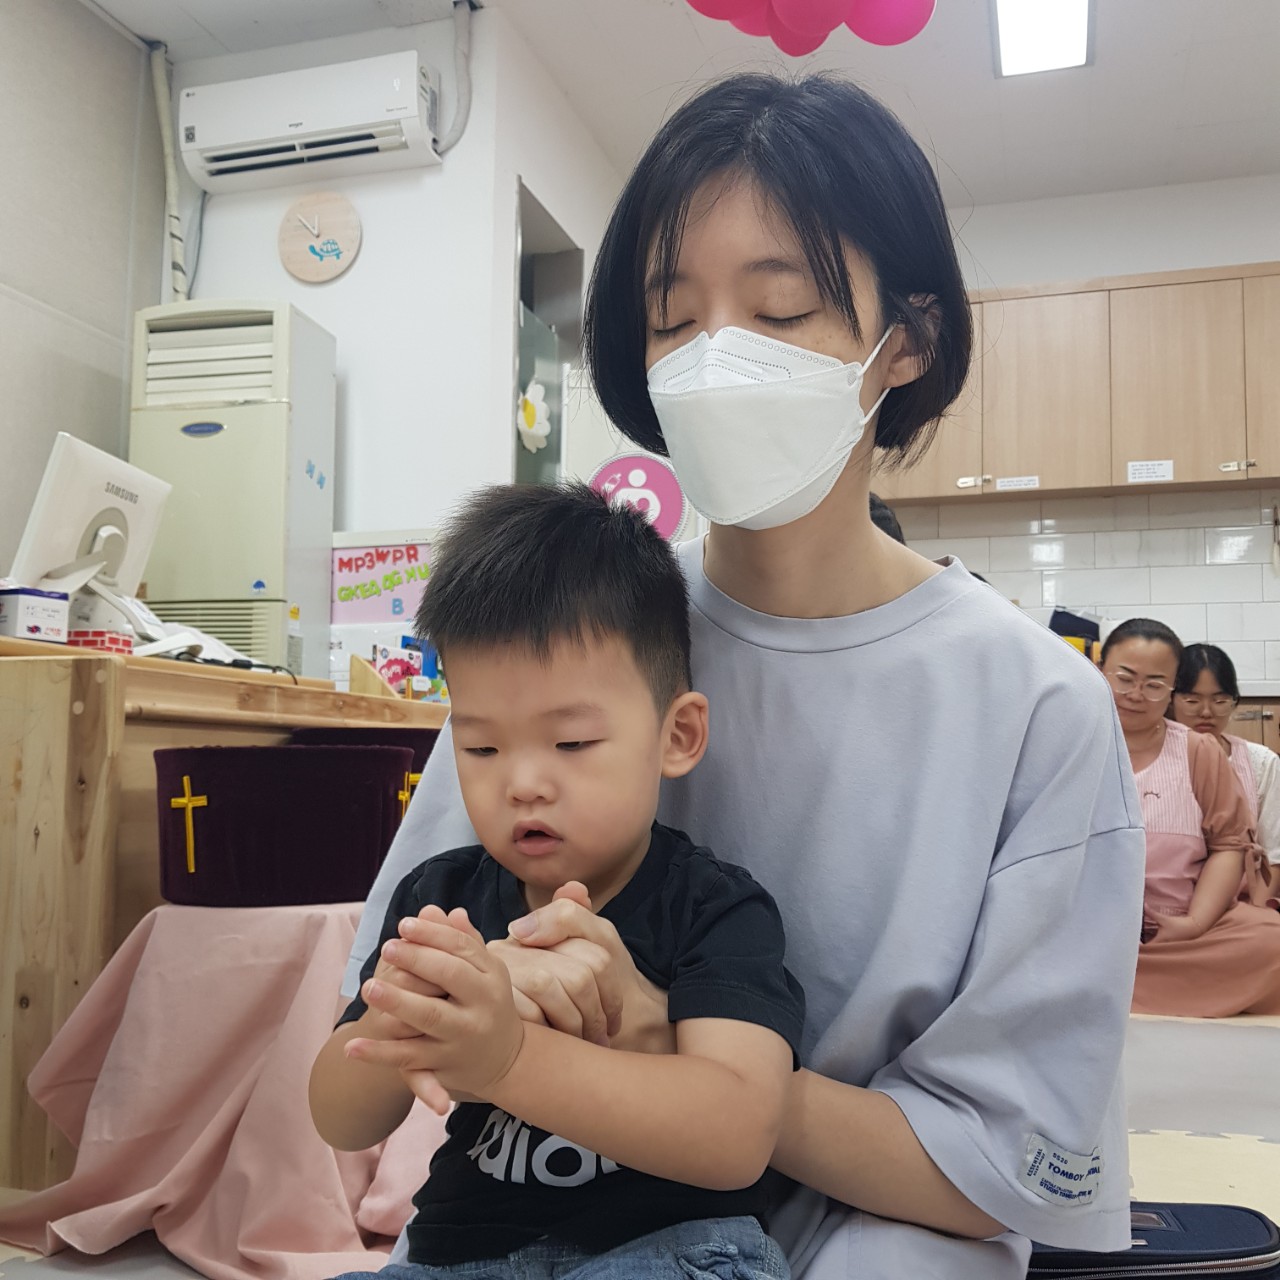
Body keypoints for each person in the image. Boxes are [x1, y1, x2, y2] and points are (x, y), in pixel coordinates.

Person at [348, 73, 1145, 1278]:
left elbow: (999, 1169)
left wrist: (677, 1046)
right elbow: (390, 1013)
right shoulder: (577, 642)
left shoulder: (1033, 706)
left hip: (875, 1228)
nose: (714, 358)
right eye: (672, 320)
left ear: (906, 341)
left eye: (778, 311)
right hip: (569, 1209)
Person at [311, 482, 804, 1279]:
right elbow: (341, 1119)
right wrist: (409, 1018)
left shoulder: (713, 907)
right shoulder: (440, 901)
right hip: (456, 1255)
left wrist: (507, 1059)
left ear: (676, 735)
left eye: (571, 744)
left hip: (667, 1250)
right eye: (481, 748)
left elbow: (738, 1136)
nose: (523, 785)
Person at [1098, 619, 1280, 1015]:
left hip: (1185, 934)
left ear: (1171, 688)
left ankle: (1112, 991)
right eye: (1124, 679)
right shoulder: (1067, 741)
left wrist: (1194, 923)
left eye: (1154, 684)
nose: (1136, 695)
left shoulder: (1198, 751)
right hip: (1086, 930)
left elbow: (1229, 845)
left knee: (1272, 945)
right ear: (1100, 671)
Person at [1170, 642, 1280, 891]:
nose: (1206, 712)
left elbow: (1274, 857)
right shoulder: (1154, 760)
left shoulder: (1262, 763)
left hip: (1241, 901)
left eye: (1220, 700)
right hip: (1172, 901)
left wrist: (1258, 909)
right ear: (1171, 699)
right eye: (1192, 700)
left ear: (1234, 701)